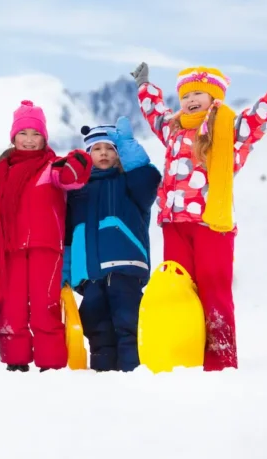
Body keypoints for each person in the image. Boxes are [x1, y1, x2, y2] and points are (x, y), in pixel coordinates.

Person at [131, 58, 267, 371]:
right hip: (174, 225)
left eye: (198, 95)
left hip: (212, 225)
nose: (191, 101)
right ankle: (184, 355)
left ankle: (220, 361)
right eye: (185, 96)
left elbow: (263, 112)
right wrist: (144, 87)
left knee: (214, 292)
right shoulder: (174, 128)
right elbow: (154, 113)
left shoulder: (230, 129)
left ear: (213, 99)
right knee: (178, 291)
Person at [0, 100, 92, 371]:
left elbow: (72, 178)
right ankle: (16, 363)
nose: (29, 140)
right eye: (23, 134)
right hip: (8, 252)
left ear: (44, 137)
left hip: (45, 248)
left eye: (35, 134)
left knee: (44, 308)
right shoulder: (2, 170)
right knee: (10, 309)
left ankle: (51, 365)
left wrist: (79, 161)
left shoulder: (52, 166)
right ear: (13, 136)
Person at [63, 117, 161, 371]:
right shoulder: (76, 191)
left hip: (125, 268)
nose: (103, 153)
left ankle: (132, 373)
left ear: (119, 155)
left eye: (110, 149)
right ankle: (103, 377)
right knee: (97, 328)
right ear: (88, 154)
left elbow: (148, 178)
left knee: (128, 324)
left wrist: (127, 144)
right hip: (90, 275)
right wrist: (67, 270)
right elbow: (68, 235)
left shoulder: (130, 184)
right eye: (97, 149)